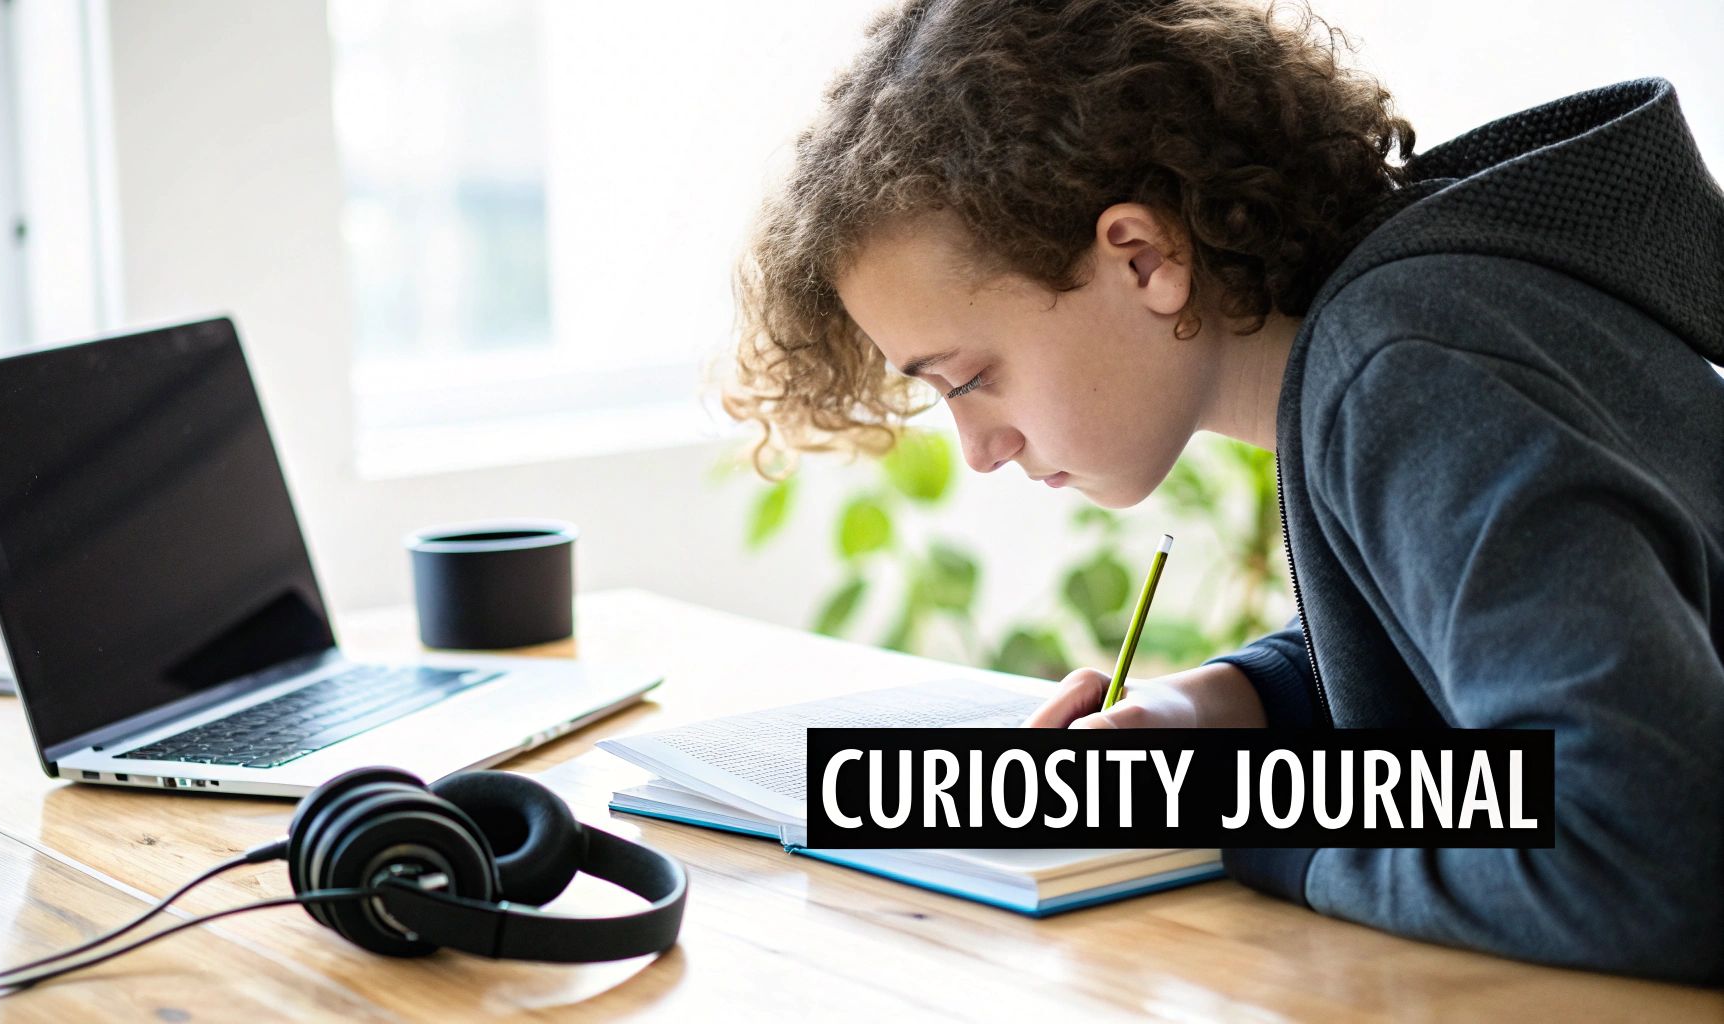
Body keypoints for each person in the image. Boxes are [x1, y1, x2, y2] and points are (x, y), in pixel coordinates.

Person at [721, 0, 1724, 984]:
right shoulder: (1419, 319)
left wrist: (1224, 803)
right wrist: (1217, 706)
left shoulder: (1404, 372)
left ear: (1142, 256)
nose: (978, 448)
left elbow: (1650, 849)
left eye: (969, 379)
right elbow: (1463, 632)